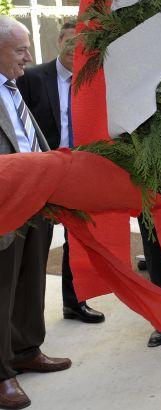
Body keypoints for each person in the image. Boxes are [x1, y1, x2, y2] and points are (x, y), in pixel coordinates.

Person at [0, 15, 71, 410]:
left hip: (34, 201)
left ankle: (26, 348)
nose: (29, 55)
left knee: (31, 280)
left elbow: (29, 138)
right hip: (4, 206)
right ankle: (1, 373)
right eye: (20, 49)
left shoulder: (13, 86)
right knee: (1, 288)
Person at [17, 19, 106, 324]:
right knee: (35, 242)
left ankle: (75, 302)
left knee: (77, 239)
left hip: (80, 171)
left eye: (82, 45)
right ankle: (27, 319)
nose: (75, 50)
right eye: (70, 43)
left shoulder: (95, 78)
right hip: (42, 172)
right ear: (59, 42)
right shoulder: (32, 78)